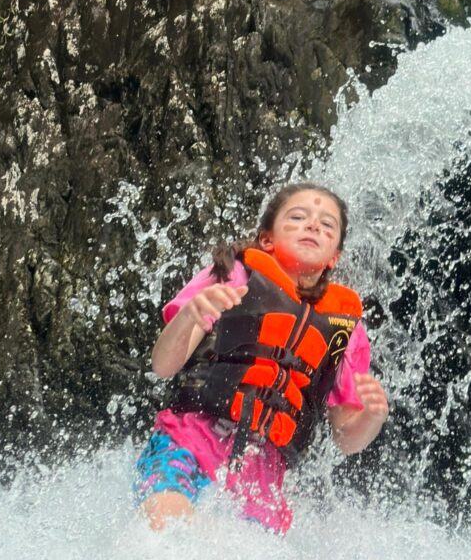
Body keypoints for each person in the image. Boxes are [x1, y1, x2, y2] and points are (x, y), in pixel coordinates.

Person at [135, 183, 389, 535]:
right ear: (266, 239)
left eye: (327, 225)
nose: (314, 226)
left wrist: (373, 418)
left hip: (262, 479)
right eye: (298, 217)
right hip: (189, 440)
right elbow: (162, 366)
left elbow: (346, 438)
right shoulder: (235, 275)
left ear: (335, 257)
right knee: (168, 528)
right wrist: (189, 317)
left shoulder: (348, 332)